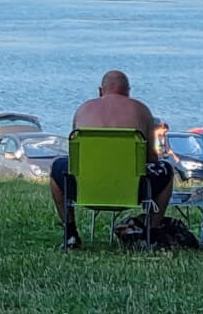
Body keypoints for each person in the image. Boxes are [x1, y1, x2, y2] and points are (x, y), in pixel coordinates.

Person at [49, 69, 174, 248]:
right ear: (128, 91)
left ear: (101, 90)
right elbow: (151, 158)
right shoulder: (140, 110)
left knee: (56, 168)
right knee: (167, 171)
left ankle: (70, 234)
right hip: (132, 189)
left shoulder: (83, 110)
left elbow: (75, 156)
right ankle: (150, 234)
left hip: (86, 187)